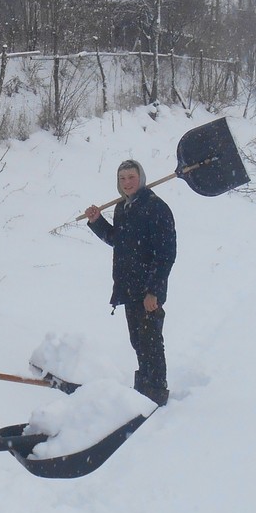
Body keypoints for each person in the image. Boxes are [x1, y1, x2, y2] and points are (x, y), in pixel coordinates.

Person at [84, 158, 177, 406]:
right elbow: (119, 240)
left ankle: (156, 391)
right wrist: (97, 222)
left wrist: (153, 291)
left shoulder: (156, 208)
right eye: (122, 178)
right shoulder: (123, 208)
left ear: (141, 178)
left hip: (147, 290)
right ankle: (144, 386)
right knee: (138, 341)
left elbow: (166, 253)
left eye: (131, 177)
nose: (127, 183)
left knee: (151, 342)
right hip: (128, 288)